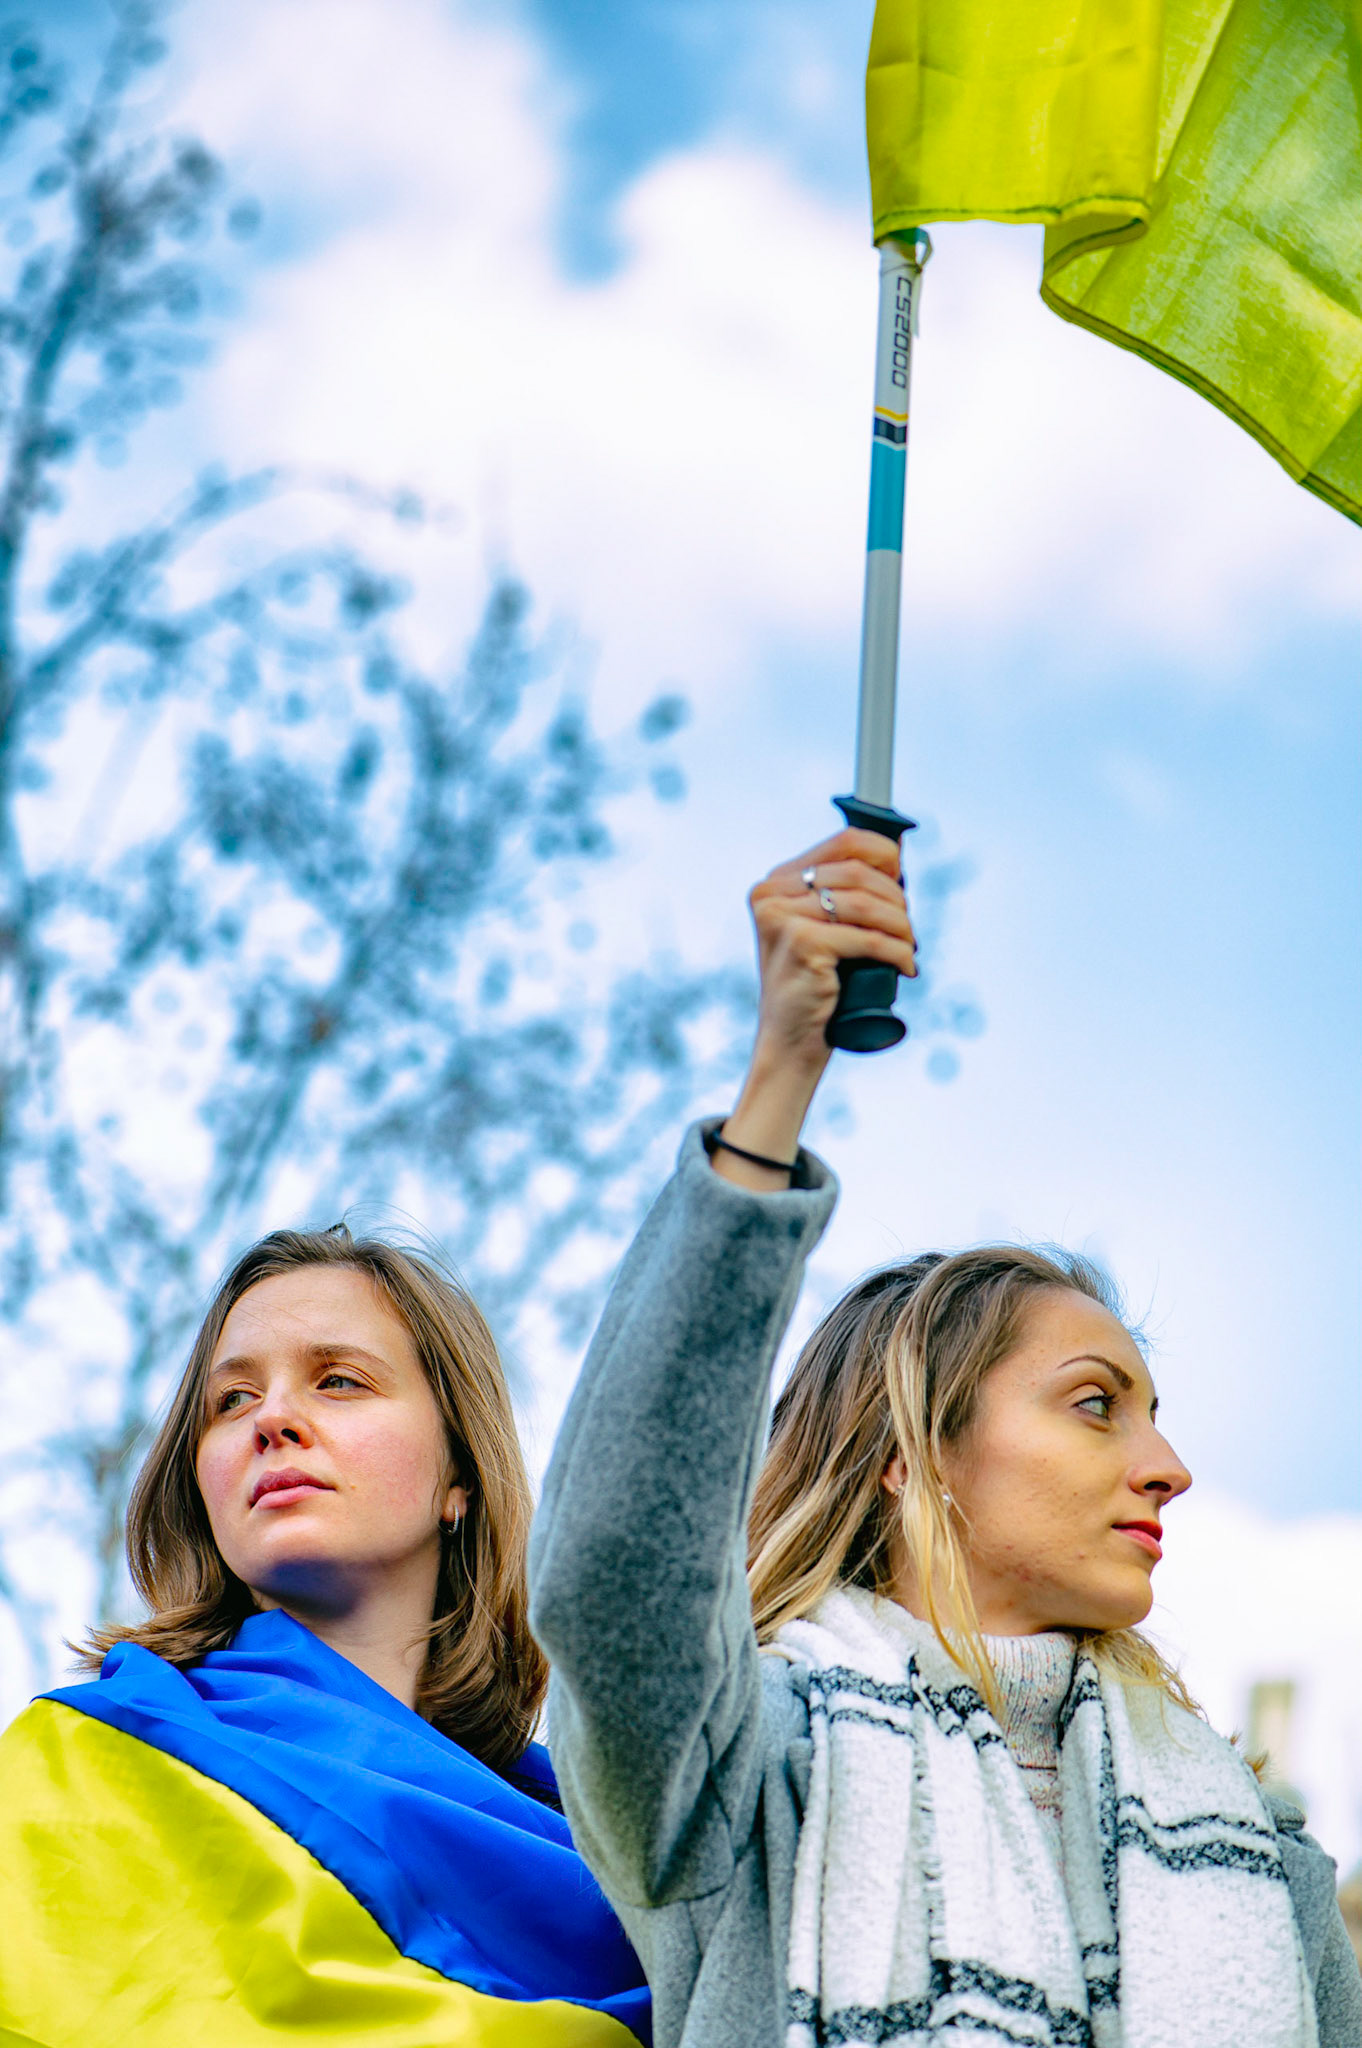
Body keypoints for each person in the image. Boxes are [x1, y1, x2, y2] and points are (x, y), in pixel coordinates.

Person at [530, 825, 1361, 2048]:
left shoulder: (1265, 1853)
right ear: (908, 1454)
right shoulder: (743, 1778)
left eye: (1153, 1414)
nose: (1169, 1468)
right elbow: (617, 1573)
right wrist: (780, 1077)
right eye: (1096, 1403)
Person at [0, 1225, 648, 2047]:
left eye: (339, 1381)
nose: (271, 1418)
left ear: (459, 1473)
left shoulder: (629, 1867)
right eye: (232, 1400)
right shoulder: (77, 1769)